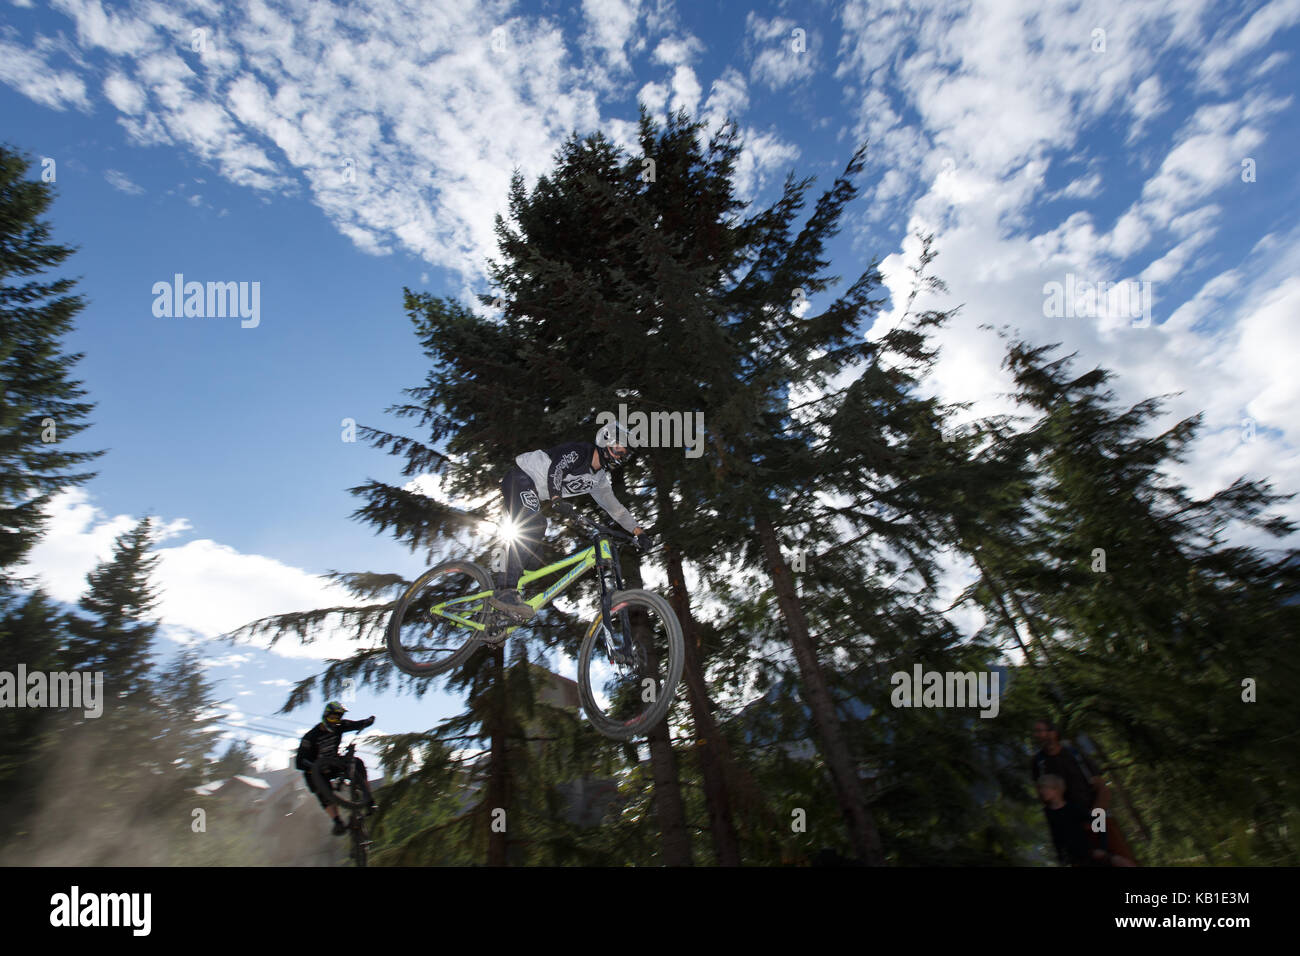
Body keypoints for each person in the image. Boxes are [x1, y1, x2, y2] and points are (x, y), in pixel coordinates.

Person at [490, 422, 649, 621]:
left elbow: (616, 509)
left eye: (624, 453)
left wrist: (638, 532)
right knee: (534, 525)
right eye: (618, 449)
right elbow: (557, 468)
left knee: (535, 558)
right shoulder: (580, 451)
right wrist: (556, 498)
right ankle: (505, 590)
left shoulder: (598, 480)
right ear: (605, 442)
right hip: (521, 477)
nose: (621, 455)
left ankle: (499, 613)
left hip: (533, 492)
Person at [295, 701, 377, 835]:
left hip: (334, 764)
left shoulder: (340, 726)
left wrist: (368, 721)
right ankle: (337, 821)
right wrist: (312, 767)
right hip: (316, 770)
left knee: (357, 763)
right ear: (325, 716)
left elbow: (356, 724)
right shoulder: (310, 737)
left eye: (338, 718)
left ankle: (370, 801)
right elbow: (299, 762)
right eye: (332, 718)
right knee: (316, 784)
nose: (335, 721)